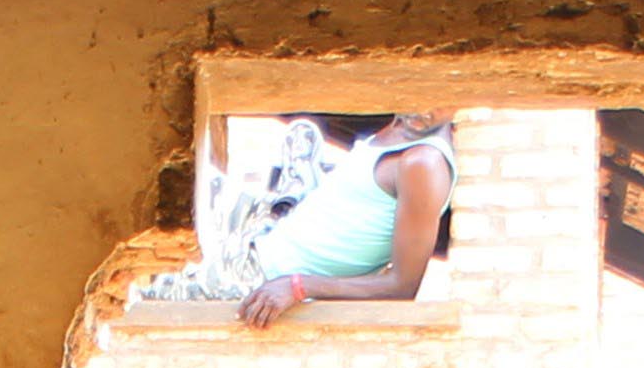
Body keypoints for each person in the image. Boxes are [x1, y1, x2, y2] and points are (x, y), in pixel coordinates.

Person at [133, 111, 454, 322]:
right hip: (248, 247)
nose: (423, 107)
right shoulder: (398, 128)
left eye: (442, 93)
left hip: (252, 283)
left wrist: (298, 287)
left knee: (131, 296)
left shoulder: (424, 164)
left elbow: (402, 286)